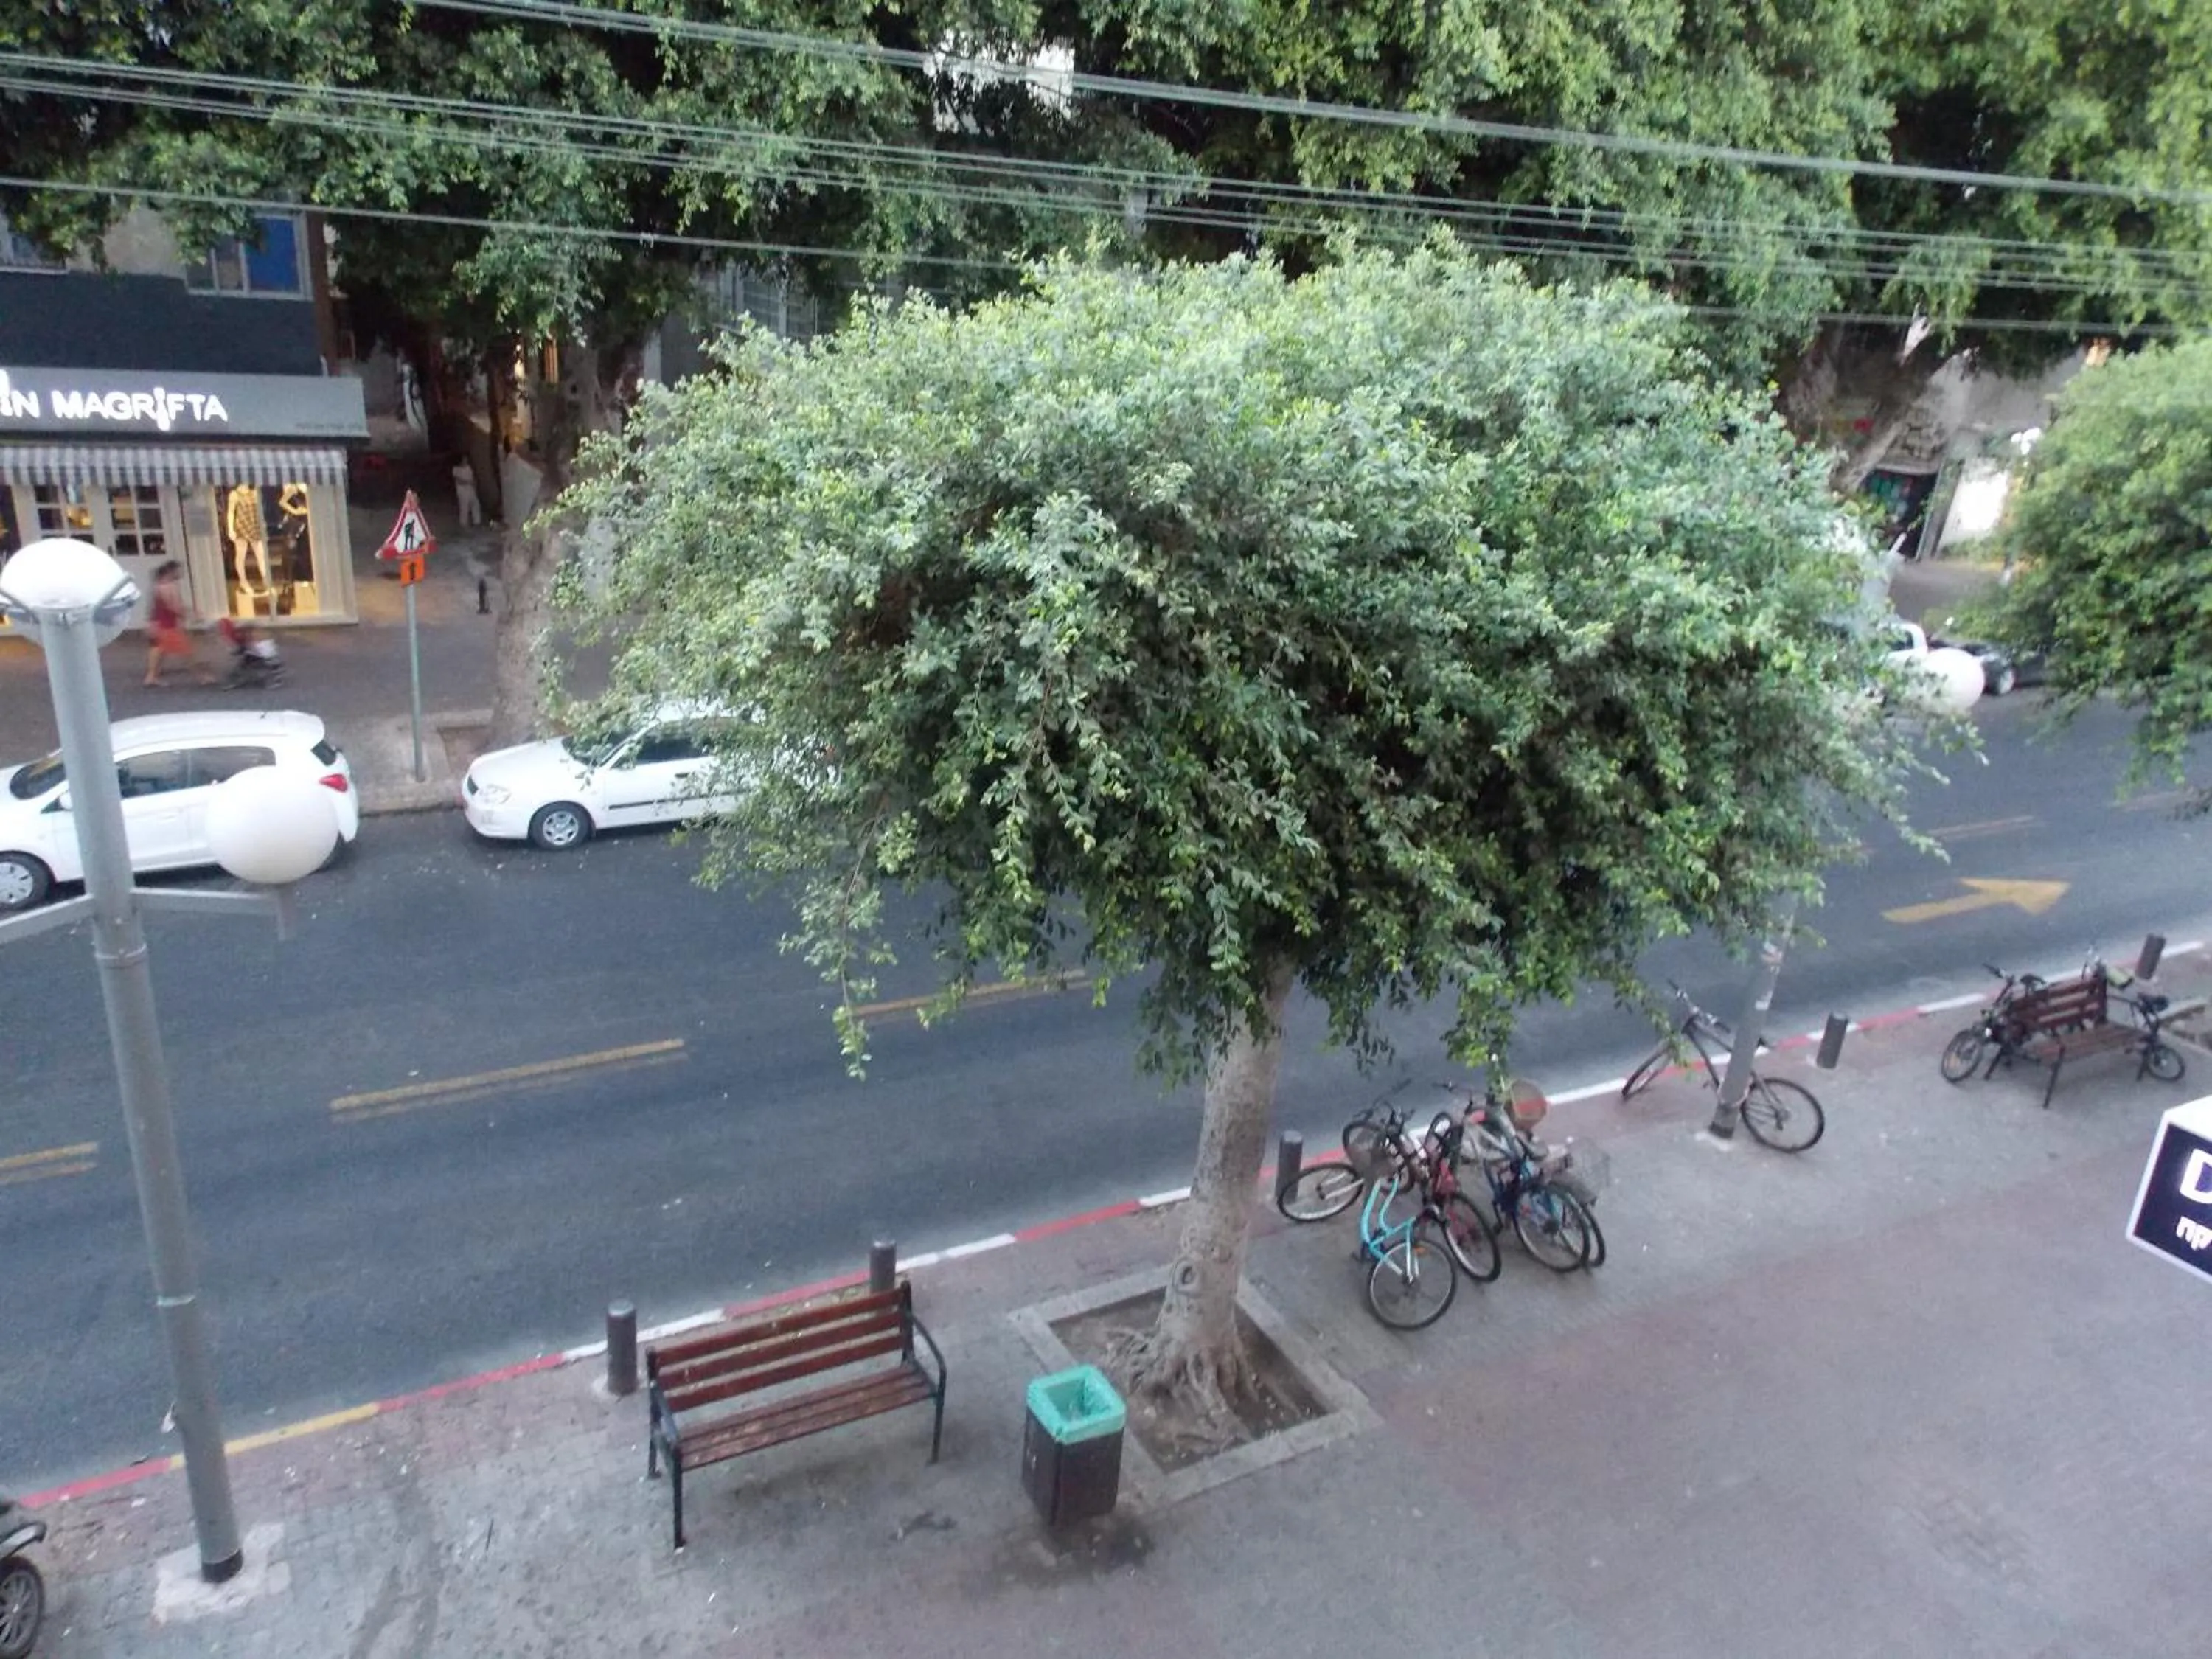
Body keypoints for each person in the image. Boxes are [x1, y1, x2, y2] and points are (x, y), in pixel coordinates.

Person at [145, 561, 213, 686]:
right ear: (171, 571)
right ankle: (202, 677)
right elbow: (173, 606)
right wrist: (191, 615)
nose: (181, 573)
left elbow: (159, 607)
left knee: (160, 650)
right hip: (168, 626)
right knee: (187, 652)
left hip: (162, 625)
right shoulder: (168, 587)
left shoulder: (160, 586)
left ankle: (151, 677)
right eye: (179, 570)